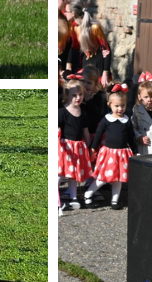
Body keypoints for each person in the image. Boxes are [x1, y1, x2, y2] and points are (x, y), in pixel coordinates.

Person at [84, 87, 137, 210]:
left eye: (122, 105)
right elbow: (98, 134)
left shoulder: (126, 120)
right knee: (103, 177)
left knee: (118, 179)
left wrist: (135, 152)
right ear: (109, 105)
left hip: (122, 153)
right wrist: (93, 147)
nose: (120, 109)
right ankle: (88, 193)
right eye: (117, 106)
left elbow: (131, 137)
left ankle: (114, 200)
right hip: (109, 154)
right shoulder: (106, 120)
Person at [58, 79, 93, 211]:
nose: (78, 98)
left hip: (78, 147)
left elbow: (86, 132)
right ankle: (55, 198)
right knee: (60, 174)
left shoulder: (83, 112)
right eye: (74, 95)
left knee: (74, 174)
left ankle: (73, 197)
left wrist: (90, 147)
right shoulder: (62, 112)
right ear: (67, 95)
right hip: (65, 148)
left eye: (80, 94)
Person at [131, 74, 152, 156]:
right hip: (144, 148)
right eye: (145, 97)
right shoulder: (137, 111)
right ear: (139, 97)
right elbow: (132, 128)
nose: (149, 100)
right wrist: (139, 137)